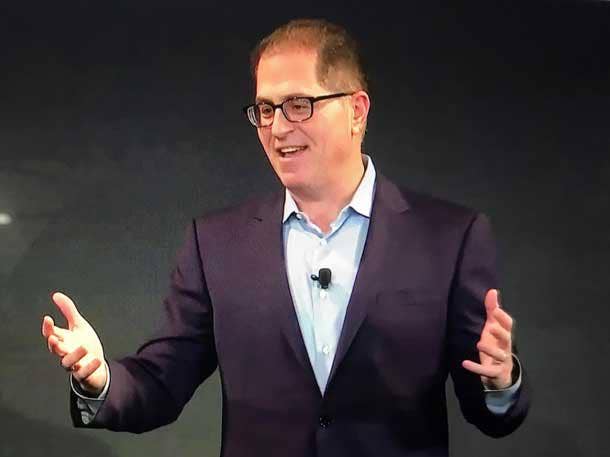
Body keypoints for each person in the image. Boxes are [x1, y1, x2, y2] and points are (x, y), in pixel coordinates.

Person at [41, 18, 529, 457]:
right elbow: (161, 383)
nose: (277, 128)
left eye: (298, 105)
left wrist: (500, 381)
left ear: (357, 110)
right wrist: (101, 378)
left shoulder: (449, 238)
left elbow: (489, 412)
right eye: (265, 109)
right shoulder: (216, 244)